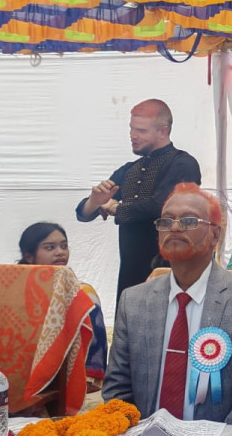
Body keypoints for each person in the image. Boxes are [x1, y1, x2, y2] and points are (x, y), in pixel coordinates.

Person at [102, 183, 232, 424]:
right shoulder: (133, 301)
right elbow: (116, 390)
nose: (175, 227)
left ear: (215, 235)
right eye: (166, 221)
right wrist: (139, 435)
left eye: (189, 221)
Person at [75, 99, 202, 304]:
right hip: (131, 274)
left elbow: (162, 206)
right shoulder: (130, 169)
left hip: (171, 271)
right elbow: (83, 213)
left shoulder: (183, 164)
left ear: (163, 131)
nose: (133, 135)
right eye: (132, 129)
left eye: (141, 130)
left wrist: (115, 207)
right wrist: (95, 201)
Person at [18, 222, 108, 384]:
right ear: (29, 256)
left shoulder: (83, 293)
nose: (60, 252)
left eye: (64, 246)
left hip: (71, 378)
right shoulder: (15, 291)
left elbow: (95, 344)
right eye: (50, 247)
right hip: (21, 375)